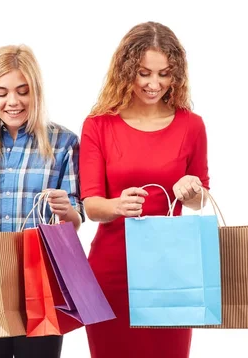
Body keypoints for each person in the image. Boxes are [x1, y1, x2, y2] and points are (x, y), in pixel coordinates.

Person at [79, 21, 210, 358]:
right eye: (144, 73)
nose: (154, 84)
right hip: (112, 271)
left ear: (176, 75)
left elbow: (199, 202)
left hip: (172, 272)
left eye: (164, 74)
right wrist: (117, 205)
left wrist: (191, 188)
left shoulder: (190, 125)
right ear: (125, 71)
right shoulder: (98, 124)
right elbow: (91, 204)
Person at [0, 45, 83, 358]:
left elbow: (75, 224)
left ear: (36, 91)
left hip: (43, 281)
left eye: (23, 91)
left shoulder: (64, 143)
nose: (13, 102)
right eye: (2, 92)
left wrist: (67, 211)